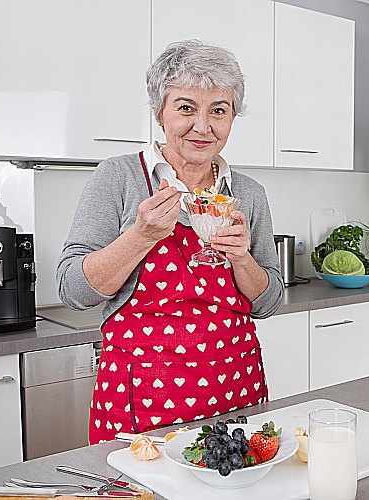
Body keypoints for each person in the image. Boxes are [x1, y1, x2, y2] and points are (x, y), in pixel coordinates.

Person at [57, 40, 284, 444]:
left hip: (234, 386)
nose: (203, 126)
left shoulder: (248, 193)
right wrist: (141, 236)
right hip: (143, 394)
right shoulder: (119, 177)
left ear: (233, 117)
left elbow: (267, 302)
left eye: (219, 109)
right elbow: (75, 291)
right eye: (185, 108)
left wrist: (242, 259)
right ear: (160, 113)